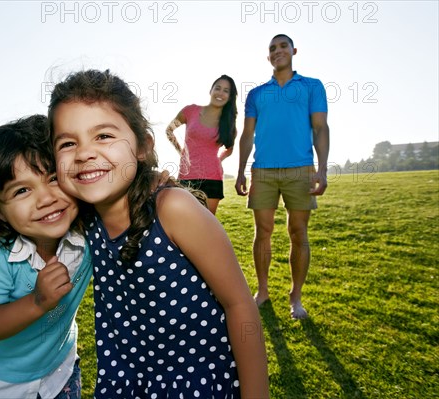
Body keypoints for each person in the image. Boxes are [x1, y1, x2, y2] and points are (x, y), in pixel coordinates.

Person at [49, 69, 269, 398]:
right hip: (127, 382)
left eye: (104, 136)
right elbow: (21, 186)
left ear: (142, 146)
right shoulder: (83, 216)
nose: (83, 153)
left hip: (196, 384)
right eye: (67, 142)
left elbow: (240, 304)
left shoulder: (172, 209)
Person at [0, 115, 92, 399]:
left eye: (54, 178)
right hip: (6, 385)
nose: (45, 198)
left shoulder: (89, 229)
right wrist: (37, 302)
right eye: (22, 190)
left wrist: (151, 178)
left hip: (62, 368)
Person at [234, 34, 330, 320]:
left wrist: (322, 169)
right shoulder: (257, 94)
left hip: (300, 169)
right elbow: (247, 134)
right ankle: (262, 291)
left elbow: (321, 128)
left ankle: (295, 297)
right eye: (272, 48)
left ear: (293, 51)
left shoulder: (312, 87)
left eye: (283, 46)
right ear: (268, 57)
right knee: (262, 232)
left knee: (298, 232)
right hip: (262, 171)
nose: (278, 51)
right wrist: (240, 170)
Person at [166, 75, 238, 214]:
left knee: (206, 225)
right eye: (217, 88)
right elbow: (169, 130)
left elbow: (230, 149)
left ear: (230, 97)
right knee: (183, 220)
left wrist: (219, 160)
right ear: (210, 90)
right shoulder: (190, 111)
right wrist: (181, 151)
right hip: (186, 176)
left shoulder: (229, 123)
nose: (220, 93)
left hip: (213, 178)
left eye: (226, 91)